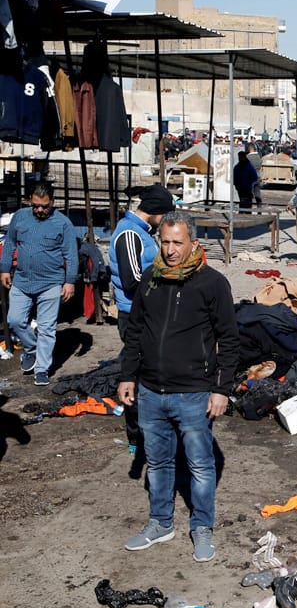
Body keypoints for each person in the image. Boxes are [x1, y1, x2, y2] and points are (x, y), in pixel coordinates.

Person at [118, 211, 240, 563]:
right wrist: (128, 376)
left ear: (193, 244)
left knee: (200, 466)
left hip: (194, 391)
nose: (170, 250)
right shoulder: (151, 278)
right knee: (157, 463)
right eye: (165, 242)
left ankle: (202, 528)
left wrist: (221, 389)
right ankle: (160, 523)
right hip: (152, 391)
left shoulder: (212, 283)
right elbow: (135, 332)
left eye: (177, 243)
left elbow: (229, 340)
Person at [109, 184, 176, 454]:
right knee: (138, 375)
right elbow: (132, 280)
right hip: (135, 316)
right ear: (156, 212)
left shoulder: (141, 232)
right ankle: (137, 436)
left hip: (147, 313)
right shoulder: (129, 234)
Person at [0, 181, 78, 387]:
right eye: (36, 205)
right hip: (22, 279)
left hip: (51, 282)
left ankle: (42, 368)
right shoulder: (20, 217)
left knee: (47, 327)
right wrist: (4, 269)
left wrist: (70, 281)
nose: (40, 210)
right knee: (14, 320)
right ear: (30, 202)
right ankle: (32, 349)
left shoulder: (63, 223)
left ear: (53, 202)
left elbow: (71, 255)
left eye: (44, 206)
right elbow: (9, 243)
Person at [246, 143, 263, 209]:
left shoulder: (248, 157)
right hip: (258, 177)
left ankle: (248, 209)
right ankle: (259, 208)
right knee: (257, 193)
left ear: (249, 149)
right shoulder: (258, 156)